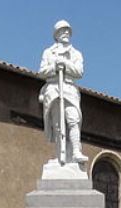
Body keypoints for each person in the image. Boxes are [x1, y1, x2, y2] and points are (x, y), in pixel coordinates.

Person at [39, 20, 87, 164]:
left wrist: (66, 64)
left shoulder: (76, 53)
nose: (66, 33)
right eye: (62, 30)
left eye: (68, 31)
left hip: (69, 88)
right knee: (59, 125)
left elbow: (79, 72)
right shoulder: (48, 52)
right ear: (57, 34)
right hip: (53, 88)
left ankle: (76, 152)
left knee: (73, 120)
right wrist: (54, 66)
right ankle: (61, 156)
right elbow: (42, 71)